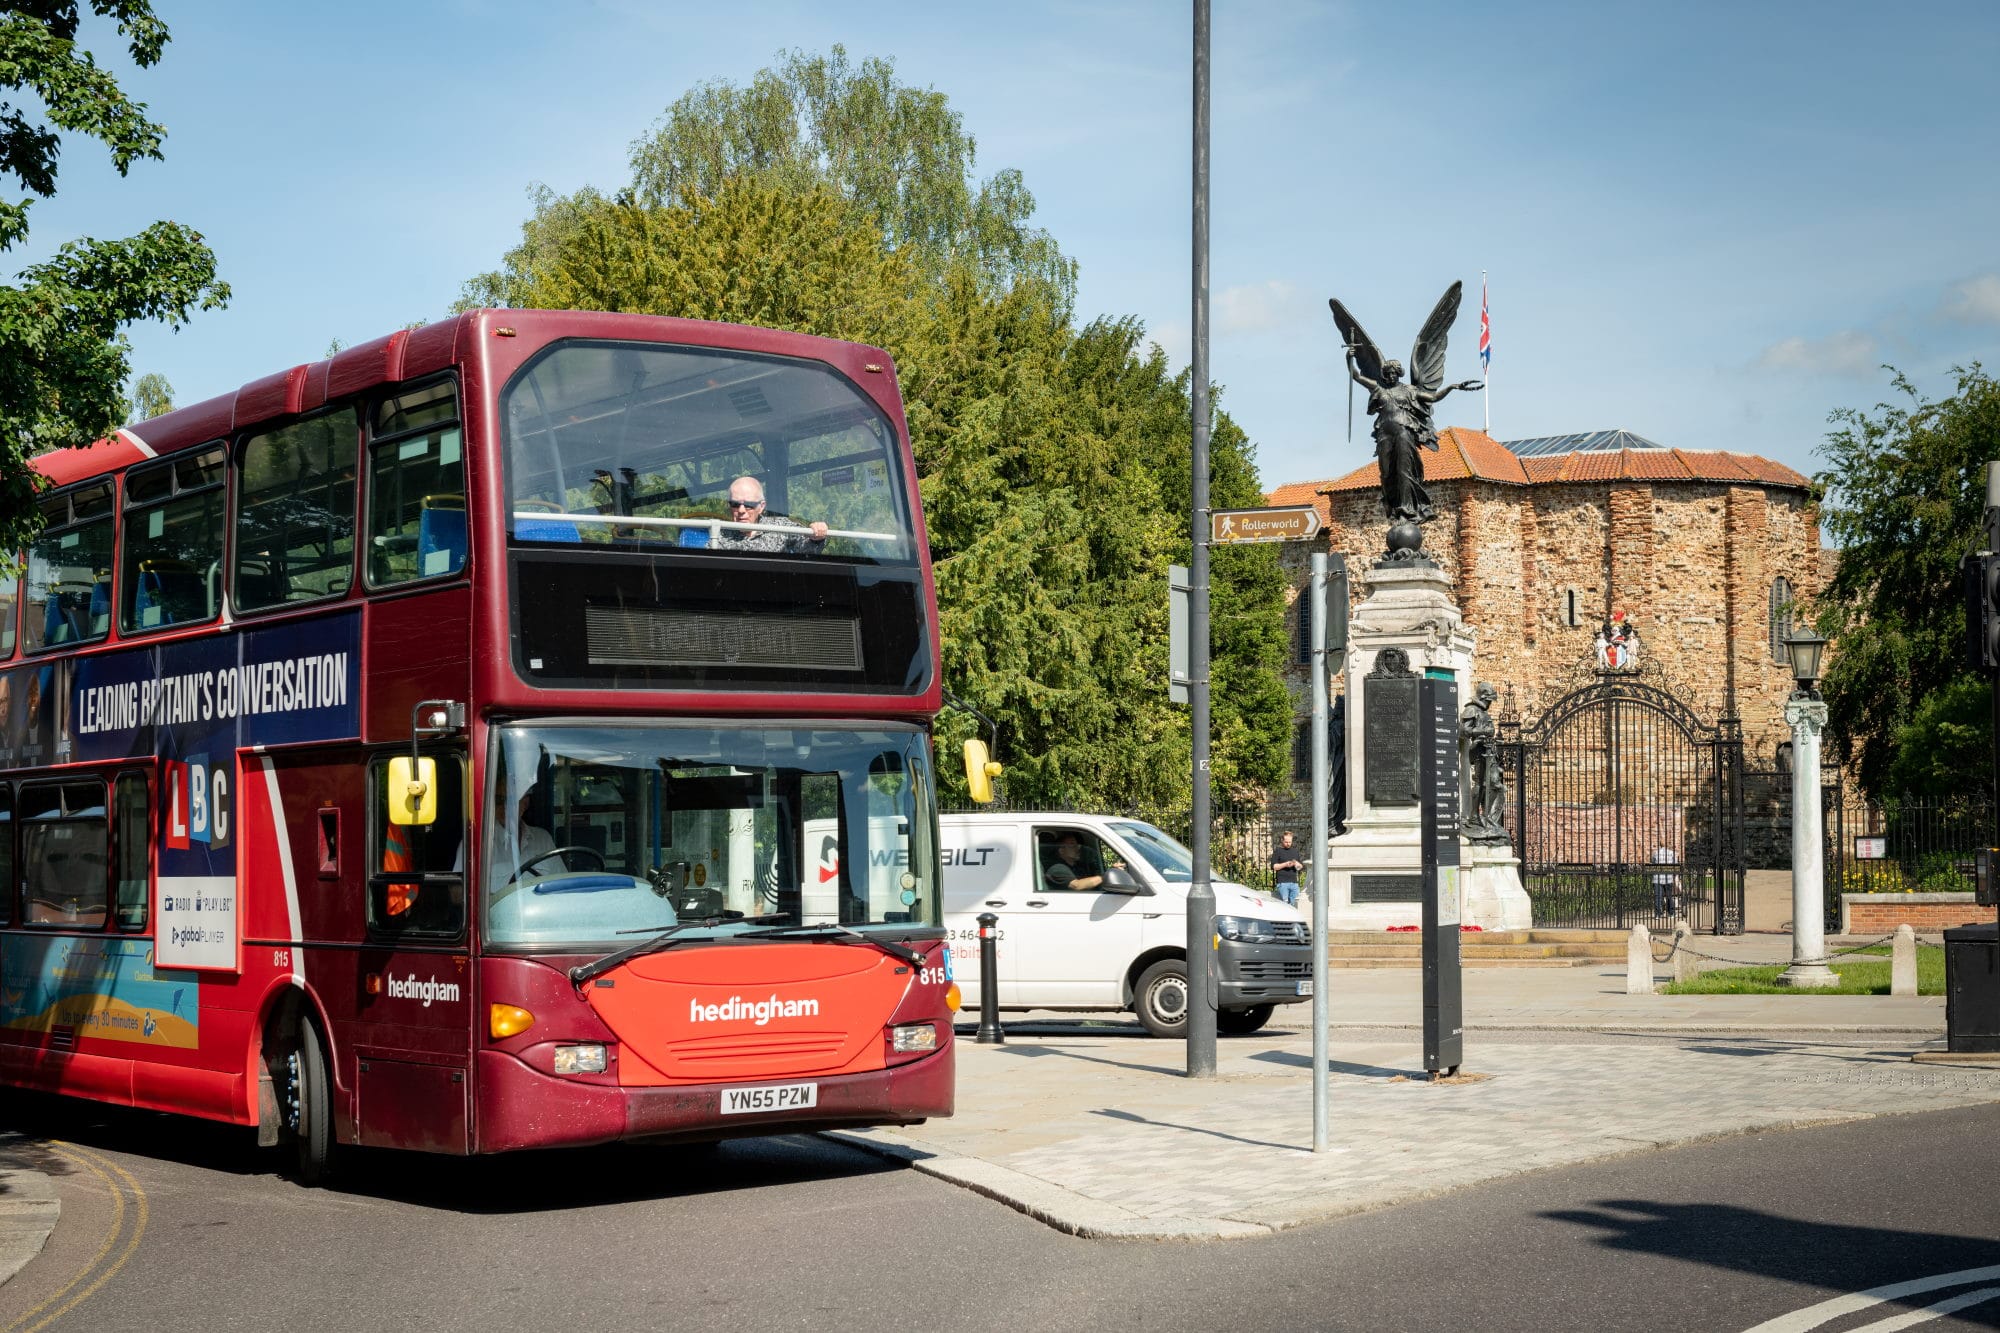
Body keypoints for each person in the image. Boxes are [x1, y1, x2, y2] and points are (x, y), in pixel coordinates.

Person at [708, 476, 829, 554]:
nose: (741, 510)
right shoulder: (719, 536)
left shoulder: (779, 527)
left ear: (761, 507)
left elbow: (807, 550)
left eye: (749, 504)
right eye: (735, 504)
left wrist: (816, 535)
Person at [1043, 831, 1116, 892]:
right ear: (1061, 850)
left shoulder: (1080, 867)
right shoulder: (1057, 869)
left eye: (1077, 844)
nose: (1078, 847)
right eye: (1072, 844)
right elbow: (1077, 885)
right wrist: (1106, 876)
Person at [1269, 830, 1303, 907]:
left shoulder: (1295, 851)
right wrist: (1285, 864)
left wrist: (1296, 863)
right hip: (1282, 883)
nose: (1288, 844)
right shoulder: (1278, 851)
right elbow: (1273, 866)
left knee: (1294, 904)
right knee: (1284, 904)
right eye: (1286, 842)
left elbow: (1300, 868)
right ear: (1282, 840)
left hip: (1294, 883)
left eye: (1290, 842)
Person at [1651, 844, 1681, 918]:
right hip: (1668, 877)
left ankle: (1658, 914)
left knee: (1658, 896)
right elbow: (1675, 866)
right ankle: (1671, 913)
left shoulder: (1655, 853)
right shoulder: (1672, 853)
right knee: (1669, 896)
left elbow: (1653, 864)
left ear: (1660, 845)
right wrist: (1676, 876)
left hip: (1657, 878)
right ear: (1667, 846)